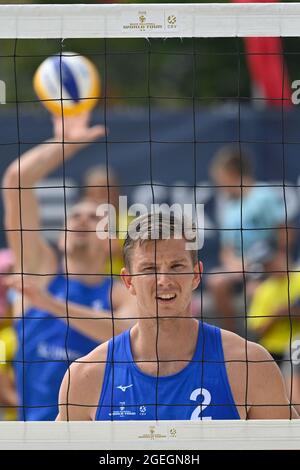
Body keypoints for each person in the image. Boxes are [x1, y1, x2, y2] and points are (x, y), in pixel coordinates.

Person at [57, 213, 298, 421]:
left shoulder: (248, 364)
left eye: (176, 266)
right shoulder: (87, 376)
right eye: (149, 269)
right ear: (128, 281)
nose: (164, 280)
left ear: (197, 275)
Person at [2, 111, 136, 421]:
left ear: (108, 241)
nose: (82, 220)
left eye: (95, 218)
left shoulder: (119, 292)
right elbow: (16, 181)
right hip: (35, 435)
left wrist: (51, 304)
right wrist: (65, 142)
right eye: (75, 216)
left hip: (99, 435)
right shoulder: (39, 271)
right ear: (61, 238)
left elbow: (130, 330)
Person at [208, 145, 290, 332]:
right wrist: (233, 264)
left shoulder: (264, 195)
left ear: (231, 173)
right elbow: (226, 249)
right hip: (241, 268)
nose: (219, 185)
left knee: (256, 291)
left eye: (220, 178)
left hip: (268, 264)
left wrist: (272, 261)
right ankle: (233, 338)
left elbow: (285, 231)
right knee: (216, 282)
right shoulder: (229, 207)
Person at [247, 240, 300, 364]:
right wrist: (276, 315)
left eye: (272, 260)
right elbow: (258, 330)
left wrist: (290, 312)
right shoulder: (263, 291)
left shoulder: (298, 279)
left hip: (296, 345)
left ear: (282, 255)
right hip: (273, 351)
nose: (272, 266)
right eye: (266, 264)